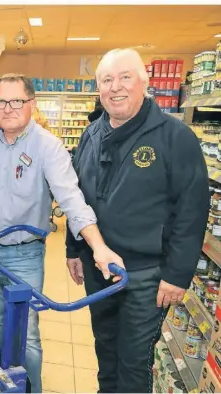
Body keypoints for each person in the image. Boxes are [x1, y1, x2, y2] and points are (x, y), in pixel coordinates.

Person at [0, 73, 124, 393]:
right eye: (1, 102)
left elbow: (72, 200)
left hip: (26, 254)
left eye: (16, 101)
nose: (7, 109)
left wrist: (99, 247)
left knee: (27, 335)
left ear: (31, 104)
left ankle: (28, 389)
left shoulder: (48, 146)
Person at [65, 48, 209, 393]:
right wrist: (74, 248)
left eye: (125, 77)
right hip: (99, 268)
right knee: (105, 349)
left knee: (133, 361)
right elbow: (77, 195)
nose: (116, 87)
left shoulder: (176, 138)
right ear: (98, 88)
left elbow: (192, 211)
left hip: (146, 275)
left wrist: (177, 275)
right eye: (106, 80)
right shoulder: (92, 133)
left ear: (144, 82)